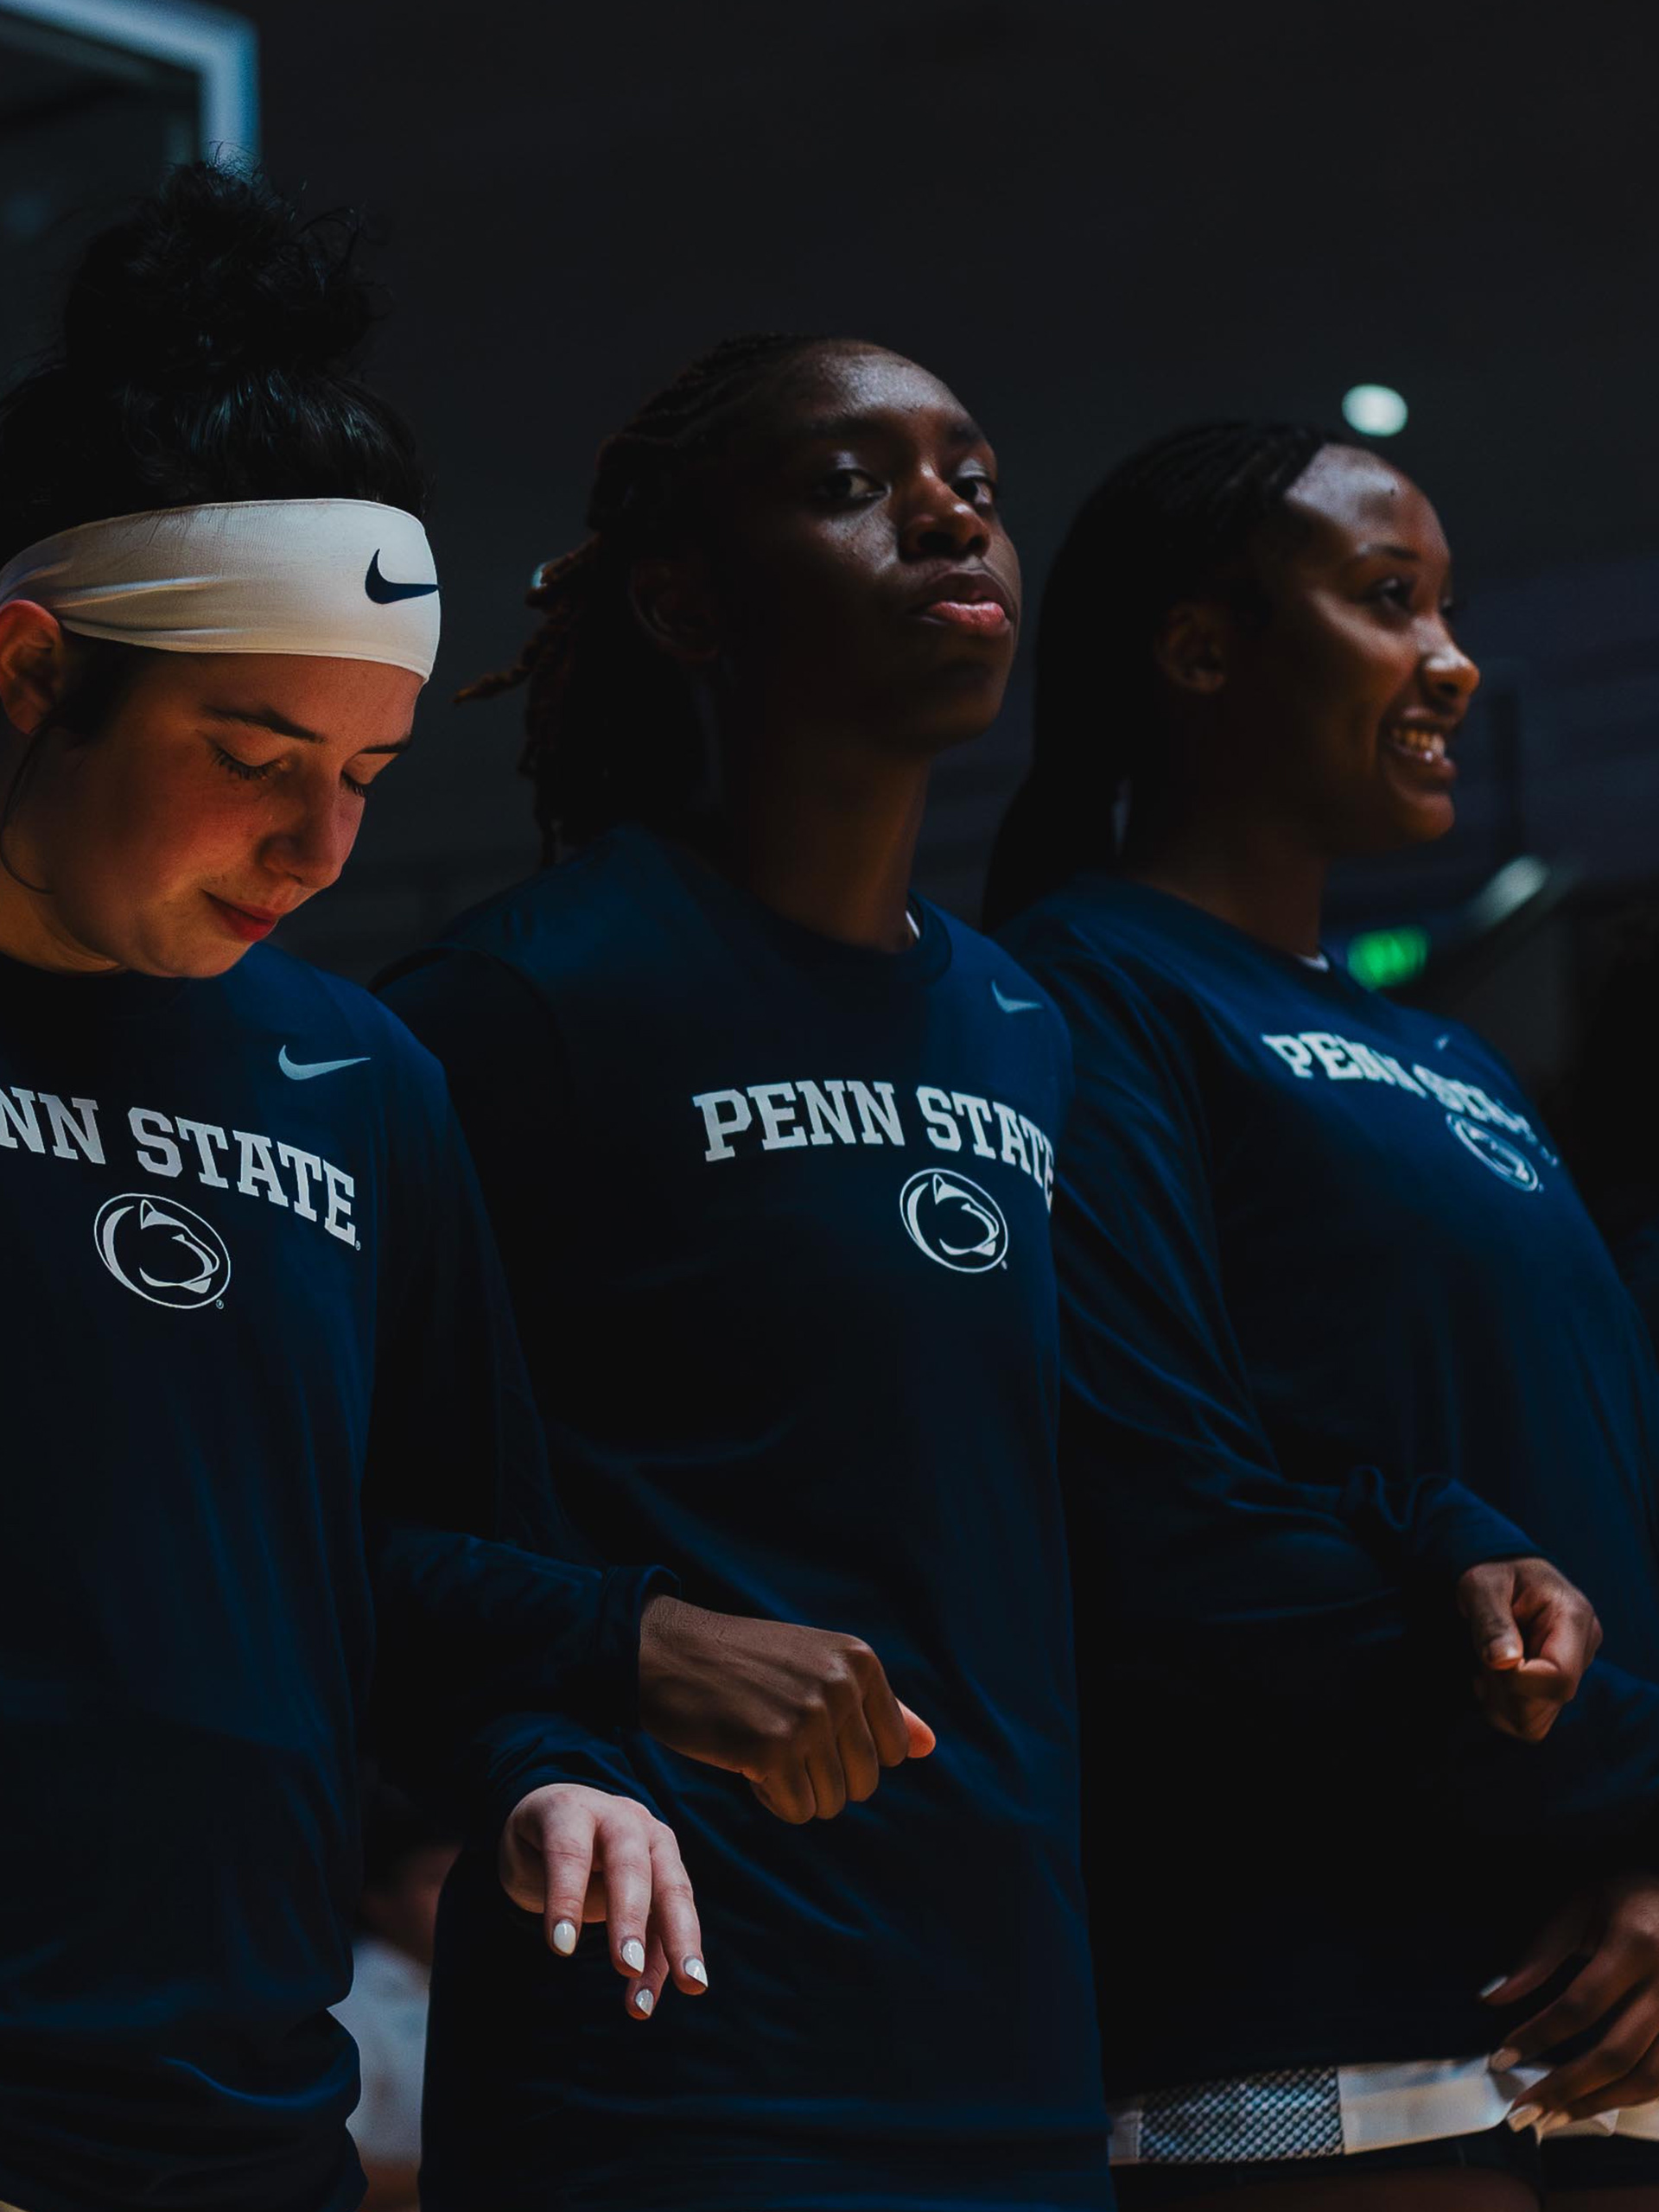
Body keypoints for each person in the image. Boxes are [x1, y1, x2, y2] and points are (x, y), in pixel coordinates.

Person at [0, 164, 862, 2212]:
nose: (319, 844)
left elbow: (437, 1546)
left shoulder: (359, 1076)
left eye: (368, 774)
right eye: (254, 751)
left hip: (246, 2100)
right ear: (30, 671)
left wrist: (551, 1760)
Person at [376, 331, 1113, 2212]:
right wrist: (623, 1650)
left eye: (975, 481)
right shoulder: (514, 1008)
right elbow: (335, 1518)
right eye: (854, 484)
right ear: (686, 602)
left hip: (1007, 2035)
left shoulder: (1023, 1026)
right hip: (668, 2037)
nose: (950, 516)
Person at [988, 423, 1659, 2210]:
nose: (1454, 661)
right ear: (1202, 648)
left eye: (1446, 606)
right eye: (1388, 600)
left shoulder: (1453, 1055)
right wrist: (1636, 1777)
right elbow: (1161, 1518)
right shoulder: (1078, 992)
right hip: (1325, 2007)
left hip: (1603, 1987)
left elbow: (1606, 1487)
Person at [332, 1788, 460, 2212]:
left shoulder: (447, 1983)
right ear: (379, 1901)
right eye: (435, 1881)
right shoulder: (351, 2003)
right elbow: (330, 2167)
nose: (458, 1900)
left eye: (461, 1880)